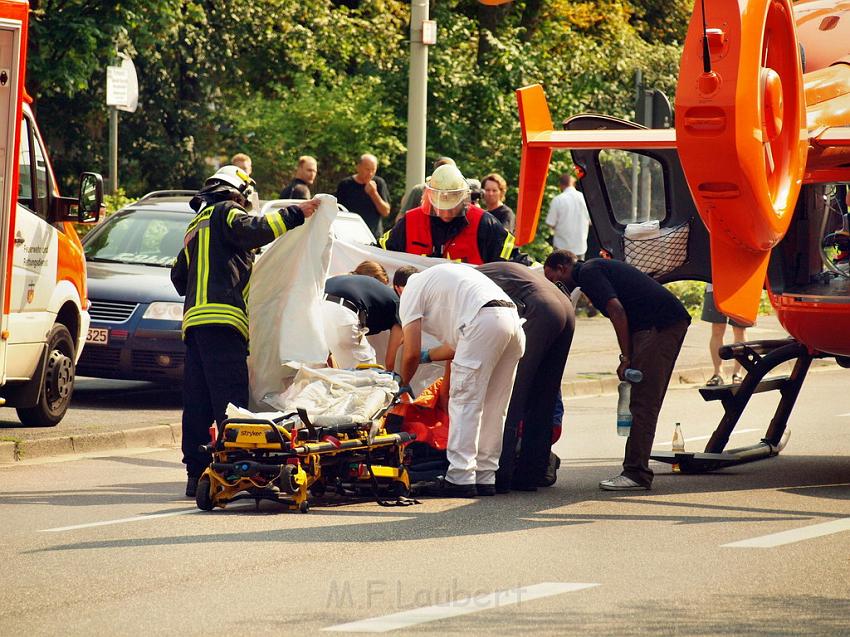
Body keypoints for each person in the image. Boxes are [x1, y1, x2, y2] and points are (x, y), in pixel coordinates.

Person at [171, 165, 319, 497]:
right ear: (239, 192)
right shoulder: (226, 211)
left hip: (194, 325)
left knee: (198, 402)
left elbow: (178, 279)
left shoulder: (196, 226)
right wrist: (297, 213)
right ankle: (236, 471)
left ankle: (197, 474)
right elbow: (254, 230)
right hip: (224, 322)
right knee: (230, 402)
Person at [543, 250, 690, 491]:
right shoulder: (594, 271)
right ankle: (636, 470)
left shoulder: (588, 271)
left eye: (554, 279)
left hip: (660, 327)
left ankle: (637, 473)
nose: (556, 285)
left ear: (563, 268)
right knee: (642, 399)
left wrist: (626, 357)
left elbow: (617, 311)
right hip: (657, 325)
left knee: (644, 401)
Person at [394, 263, 525, 497]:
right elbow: (459, 346)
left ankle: (460, 477)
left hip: (485, 321)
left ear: (398, 289)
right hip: (511, 320)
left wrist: (402, 384)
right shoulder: (445, 283)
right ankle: (485, 475)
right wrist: (428, 356)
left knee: (465, 402)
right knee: (494, 406)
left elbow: (410, 351)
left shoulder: (410, 290)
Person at [478, 262, 575, 492]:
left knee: (512, 392)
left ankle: (500, 475)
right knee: (544, 396)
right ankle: (533, 473)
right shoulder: (478, 273)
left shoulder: (453, 286)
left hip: (539, 309)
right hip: (565, 307)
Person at [379, 163, 516, 265]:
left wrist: (536, 271)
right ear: (430, 197)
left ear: (463, 198)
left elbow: (512, 257)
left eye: (451, 207)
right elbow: (379, 251)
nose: (445, 214)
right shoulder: (410, 222)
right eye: (440, 208)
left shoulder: (484, 223)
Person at [322, 268, 403, 370]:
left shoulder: (353, 282)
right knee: (368, 373)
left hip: (315, 308)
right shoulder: (398, 305)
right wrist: (394, 380)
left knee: (321, 369)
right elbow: (390, 361)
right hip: (342, 313)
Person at [702, 283, 751, 386]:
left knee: (740, 329)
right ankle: (718, 373)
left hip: (742, 284)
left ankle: (738, 373)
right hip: (715, 284)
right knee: (717, 329)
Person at [335, 153, 391, 238]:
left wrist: (374, 194)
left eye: (373, 170)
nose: (370, 173)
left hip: (373, 235)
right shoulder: (345, 184)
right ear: (358, 167)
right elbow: (337, 211)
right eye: (367, 169)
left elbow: (386, 212)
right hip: (349, 235)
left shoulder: (379, 183)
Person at [546, 174, 591, 258]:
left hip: (561, 247)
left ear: (561, 185)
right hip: (580, 247)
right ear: (574, 184)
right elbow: (590, 222)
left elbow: (550, 223)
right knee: (578, 270)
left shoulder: (558, 200)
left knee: (559, 270)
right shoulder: (584, 198)